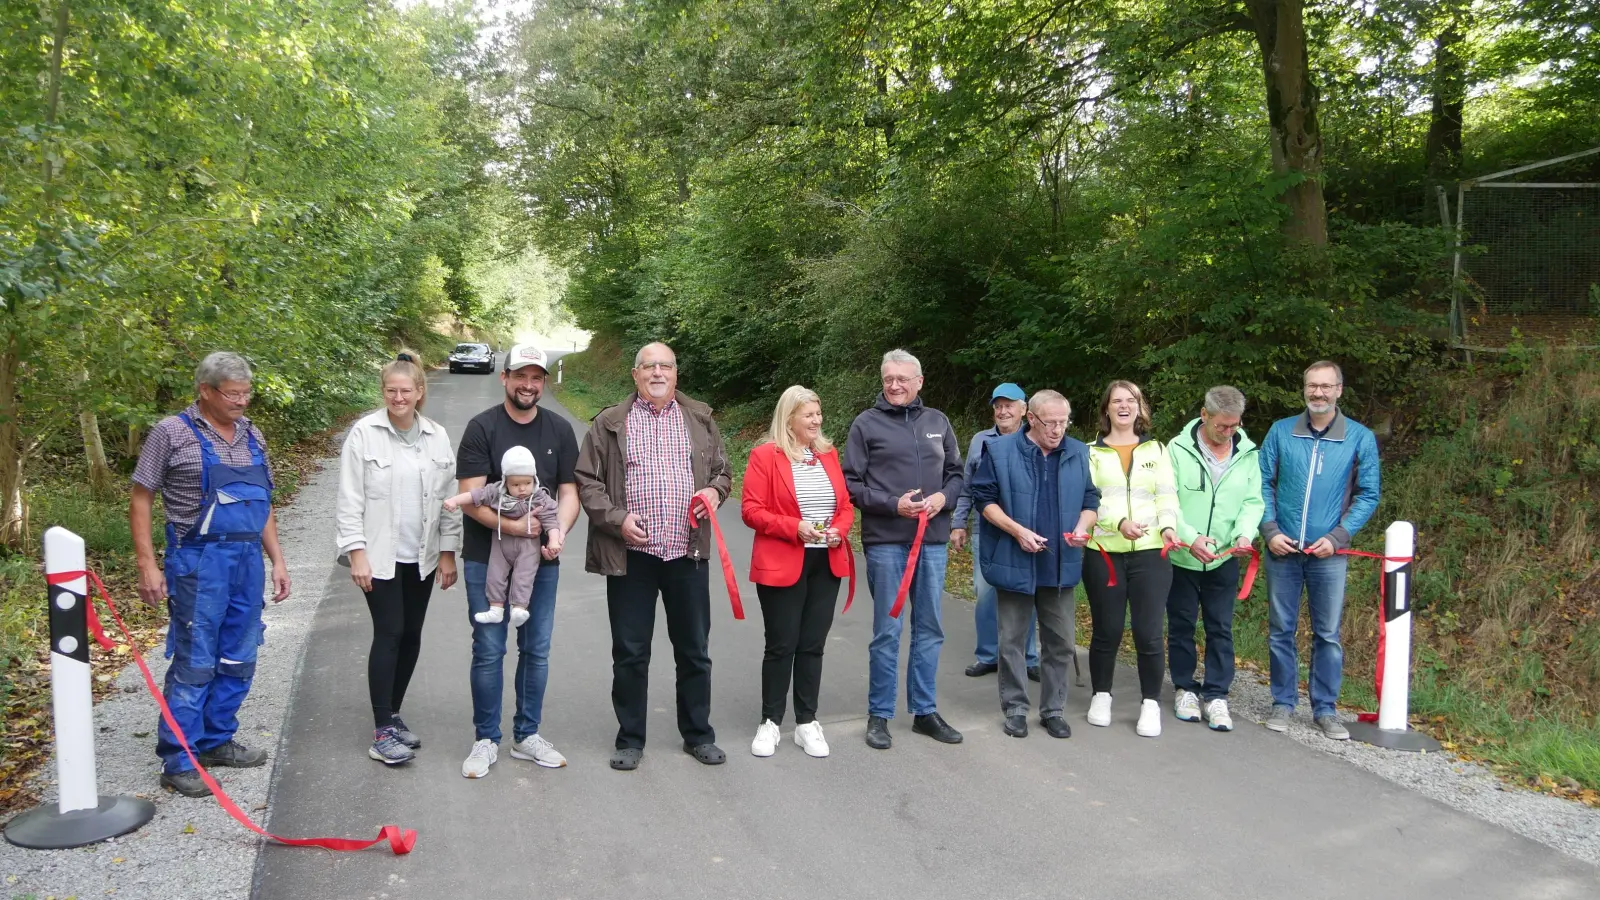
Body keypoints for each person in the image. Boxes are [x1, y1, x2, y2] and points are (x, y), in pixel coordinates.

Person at [130, 352, 292, 797]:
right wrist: (147, 563)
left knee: (241, 655)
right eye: (233, 394)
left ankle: (216, 740)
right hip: (198, 562)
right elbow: (141, 497)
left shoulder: (251, 434)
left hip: (245, 562)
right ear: (205, 390)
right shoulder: (171, 433)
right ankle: (179, 758)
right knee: (195, 660)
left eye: (247, 393)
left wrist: (276, 559)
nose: (242, 401)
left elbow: (262, 503)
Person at [576, 342, 733, 771]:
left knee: (694, 650)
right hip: (632, 555)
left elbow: (723, 472)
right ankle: (630, 739)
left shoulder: (699, 419)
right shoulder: (610, 423)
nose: (658, 373)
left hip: (687, 551)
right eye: (649, 367)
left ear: (676, 374)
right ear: (635, 374)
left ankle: (698, 735)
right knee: (630, 651)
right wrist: (617, 519)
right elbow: (587, 482)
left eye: (665, 366)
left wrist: (714, 493)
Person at [455, 343, 581, 778]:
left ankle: (527, 736)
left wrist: (556, 531)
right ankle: (486, 739)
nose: (528, 384)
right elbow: (472, 495)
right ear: (504, 378)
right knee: (489, 649)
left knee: (537, 650)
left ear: (544, 382)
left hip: (540, 561)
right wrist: (515, 528)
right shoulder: (481, 427)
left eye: (536, 377)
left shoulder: (560, 430)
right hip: (484, 557)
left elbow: (568, 492)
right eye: (520, 376)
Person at [335, 352, 461, 766]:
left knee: (411, 635)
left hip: (421, 557)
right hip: (379, 556)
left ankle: (392, 714)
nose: (398, 397)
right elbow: (349, 497)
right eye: (391, 390)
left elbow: (448, 501)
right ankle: (382, 730)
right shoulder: (364, 433)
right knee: (389, 631)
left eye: (406, 390)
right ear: (383, 391)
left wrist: (447, 554)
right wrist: (356, 554)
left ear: (420, 392)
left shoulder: (437, 436)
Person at [843, 349, 965, 750]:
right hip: (886, 543)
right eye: (888, 378)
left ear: (919, 382)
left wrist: (942, 500)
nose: (894, 385)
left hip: (931, 543)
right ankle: (879, 714)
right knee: (887, 630)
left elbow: (956, 474)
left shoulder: (938, 422)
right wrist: (892, 504)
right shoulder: (866, 424)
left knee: (929, 629)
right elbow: (852, 484)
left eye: (902, 379)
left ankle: (924, 712)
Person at [1259, 361, 1381, 740]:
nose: (1319, 393)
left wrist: (1338, 536)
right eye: (1313, 386)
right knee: (1281, 629)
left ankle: (1325, 709)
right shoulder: (1281, 431)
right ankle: (1282, 702)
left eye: (1326, 387)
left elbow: (1368, 493)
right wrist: (1269, 530)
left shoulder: (1359, 437)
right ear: (1304, 389)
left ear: (1339, 390)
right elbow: (1260, 483)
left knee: (1327, 634)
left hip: (1329, 555)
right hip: (1283, 550)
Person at [969, 390, 1098, 739]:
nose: (1058, 430)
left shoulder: (1078, 451)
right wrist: (1017, 531)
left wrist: (1083, 528)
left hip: (1060, 562)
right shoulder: (999, 451)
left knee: (1061, 641)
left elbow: (1090, 497)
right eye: (1049, 422)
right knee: (1011, 639)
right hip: (1015, 558)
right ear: (1031, 419)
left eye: (1063, 422)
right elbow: (984, 499)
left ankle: (1053, 709)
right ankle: (1015, 708)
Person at [740, 386, 855, 758]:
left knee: (812, 645)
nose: (816, 421)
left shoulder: (827, 454)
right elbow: (751, 510)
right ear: (789, 419)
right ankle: (770, 721)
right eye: (808, 415)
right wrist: (795, 527)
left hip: (826, 561)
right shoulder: (765, 456)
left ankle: (807, 722)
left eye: (818, 414)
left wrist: (841, 527)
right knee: (781, 645)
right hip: (783, 561)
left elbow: (846, 505)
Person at [1083, 380, 1180, 738]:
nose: (1123, 406)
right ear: (1106, 408)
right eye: (1116, 401)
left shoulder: (1157, 449)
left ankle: (1150, 704)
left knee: (1149, 633)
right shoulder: (1089, 452)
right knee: (1106, 630)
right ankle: (1101, 695)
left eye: (1131, 400)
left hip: (1152, 553)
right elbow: (1089, 499)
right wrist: (1117, 523)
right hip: (1104, 553)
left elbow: (1166, 495)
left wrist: (1168, 527)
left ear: (1140, 407)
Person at [1165, 386, 1262, 734]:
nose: (1228, 432)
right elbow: (1169, 502)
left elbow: (1253, 500)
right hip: (1183, 558)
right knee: (1182, 625)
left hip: (1224, 558)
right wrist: (1190, 539)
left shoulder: (1248, 453)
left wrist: (1244, 535)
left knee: (1220, 626)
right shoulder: (1176, 450)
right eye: (1222, 425)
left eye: (1234, 426)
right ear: (1204, 415)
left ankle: (1217, 694)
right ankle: (1185, 689)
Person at [952, 383, 1040, 682]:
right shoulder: (980, 440)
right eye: (998, 405)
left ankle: (1028, 658)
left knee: (1027, 591)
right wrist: (958, 523)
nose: (1003, 411)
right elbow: (967, 486)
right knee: (986, 591)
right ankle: (988, 655)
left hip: (1027, 529)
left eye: (1009, 405)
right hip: (987, 530)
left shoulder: (1034, 438)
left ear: (1024, 410)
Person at [444, 447, 563, 627]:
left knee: (524, 576)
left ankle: (519, 608)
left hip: (528, 547)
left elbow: (551, 522)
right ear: (505, 481)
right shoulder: (496, 492)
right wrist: (455, 501)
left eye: (527, 483)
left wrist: (554, 540)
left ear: (534, 480)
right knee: (495, 574)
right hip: (501, 543)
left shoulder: (540, 499)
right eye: (515, 485)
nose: (522, 489)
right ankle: (496, 609)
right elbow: (475, 495)